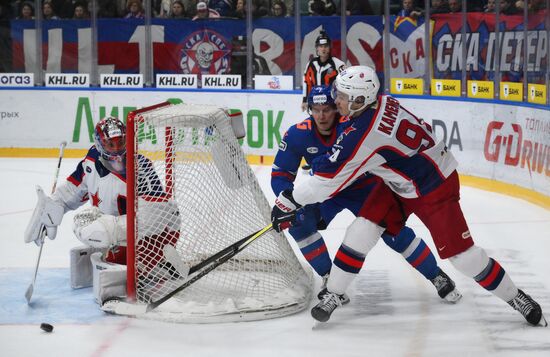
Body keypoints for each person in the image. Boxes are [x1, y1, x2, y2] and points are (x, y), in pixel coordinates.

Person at [271, 65, 547, 327]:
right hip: (399, 181)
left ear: (358, 100)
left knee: (464, 258)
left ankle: (516, 297)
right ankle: (334, 293)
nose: (336, 100)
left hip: (434, 185)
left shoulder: (363, 133)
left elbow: (325, 184)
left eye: (341, 96)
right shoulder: (380, 102)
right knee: (361, 229)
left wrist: (289, 200)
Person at [272, 85, 461, 306]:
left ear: (336, 107)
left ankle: (435, 274)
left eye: (327, 109)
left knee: (395, 233)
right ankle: (330, 279)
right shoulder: (297, 134)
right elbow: (280, 175)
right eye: (316, 109)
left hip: (364, 187)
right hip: (326, 193)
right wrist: (288, 202)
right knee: (299, 222)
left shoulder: (354, 125)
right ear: (309, 110)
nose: (321, 116)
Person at [24, 117, 182, 304]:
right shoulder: (91, 161)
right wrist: (54, 207)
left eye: (120, 142)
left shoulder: (141, 167)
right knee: (82, 223)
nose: (116, 149)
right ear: (99, 144)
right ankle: (124, 258)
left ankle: (155, 263)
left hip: (150, 237)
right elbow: (73, 190)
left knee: (98, 231)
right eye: (110, 143)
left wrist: (113, 227)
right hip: (117, 234)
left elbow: (161, 214)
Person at [302, 30, 346, 113]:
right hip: (314, 103)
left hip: (332, 104)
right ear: (317, 48)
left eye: (326, 46)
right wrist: (305, 100)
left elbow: (346, 83)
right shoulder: (311, 64)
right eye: (321, 46)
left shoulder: (338, 64)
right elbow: (307, 82)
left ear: (329, 48)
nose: (323, 49)